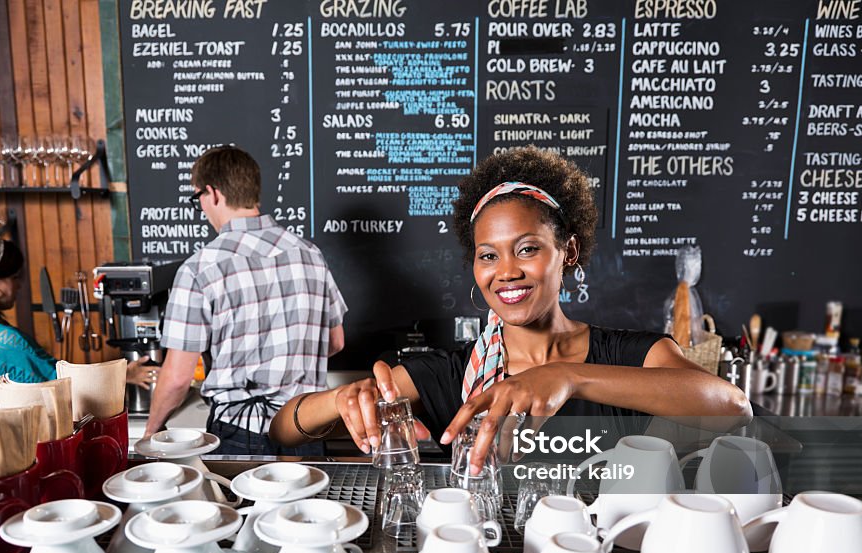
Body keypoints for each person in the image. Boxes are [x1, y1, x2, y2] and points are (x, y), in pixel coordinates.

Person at [269, 146, 751, 465]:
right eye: (488, 256)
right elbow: (283, 430)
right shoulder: (448, 375)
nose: (507, 271)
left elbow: (733, 406)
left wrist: (569, 377)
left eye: (527, 248)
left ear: (570, 252)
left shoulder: (629, 354)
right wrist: (338, 401)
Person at [144, 145, 347, 456]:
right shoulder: (309, 255)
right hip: (305, 427)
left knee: (242, 507)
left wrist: (151, 434)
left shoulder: (201, 268)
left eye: (197, 198)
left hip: (240, 432)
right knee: (308, 505)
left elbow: (177, 379)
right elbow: (335, 342)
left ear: (212, 194)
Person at [0, 232, 157, 406]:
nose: (19, 285)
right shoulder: (7, 344)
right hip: (15, 454)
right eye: (15, 278)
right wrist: (123, 375)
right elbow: (64, 386)